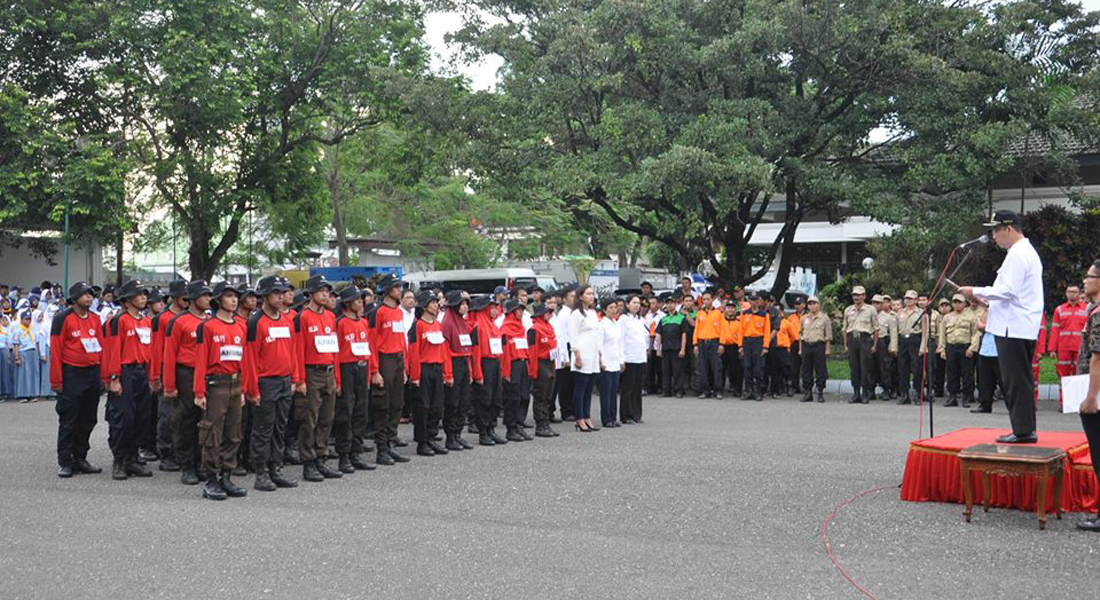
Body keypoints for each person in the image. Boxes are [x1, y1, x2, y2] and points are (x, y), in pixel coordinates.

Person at [960, 210, 1044, 443]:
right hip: (1014, 325)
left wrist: (975, 291)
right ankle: (1024, 428)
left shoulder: (1019, 254)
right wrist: (983, 299)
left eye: (996, 230)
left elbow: (1008, 291)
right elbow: (1009, 293)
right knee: (1017, 380)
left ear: (1009, 228)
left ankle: (1023, 431)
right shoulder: (1019, 252)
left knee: (1016, 380)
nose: (993, 236)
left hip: (1014, 327)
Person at [192, 282, 249, 500]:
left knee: (233, 433)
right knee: (212, 433)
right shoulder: (208, 327)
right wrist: (199, 392)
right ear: (219, 300)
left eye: (235, 296)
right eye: (228, 296)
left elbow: (243, 359)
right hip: (216, 384)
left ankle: (227, 475)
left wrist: (243, 389)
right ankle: (211, 479)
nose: (234, 300)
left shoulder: (241, 326)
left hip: (235, 383)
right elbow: (201, 360)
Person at [244, 275, 301, 491]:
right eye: (276, 293)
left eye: (282, 292)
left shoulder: (287, 320)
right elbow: (249, 358)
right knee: (263, 429)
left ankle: (276, 468)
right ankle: (261, 472)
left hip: (285, 381)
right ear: (265, 296)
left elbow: (292, 352)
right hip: (266, 382)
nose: (281, 296)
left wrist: (295, 378)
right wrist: (253, 389)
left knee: (281, 428)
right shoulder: (255, 322)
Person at [50, 282, 107, 478]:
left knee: (88, 418)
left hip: (92, 372)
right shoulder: (62, 319)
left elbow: (101, 348)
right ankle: (66, 461)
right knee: (69, 419)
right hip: (72, 373)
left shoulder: (95, 319)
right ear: (74, 298)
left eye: (91, 294)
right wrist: (57, 381)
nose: (89, 297)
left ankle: (80, 457)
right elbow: (56, 351)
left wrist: (102, 376)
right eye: (85, 294)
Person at [293, 275, 343, 482]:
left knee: (326, 417)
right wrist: (300, 379)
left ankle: (321, 456)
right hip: (311, 372)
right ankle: (308, 461)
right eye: (321, 291)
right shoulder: (302, 317)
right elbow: (298, 350)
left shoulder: (331, 317)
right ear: (311, 293)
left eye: (327, 291)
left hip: (329, 371)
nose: (325, 295)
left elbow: (335, 350)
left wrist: (337, 378)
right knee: (309, 418)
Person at [103, 279, 155, 480]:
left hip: (142, 372)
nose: (143, 297)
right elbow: (113, 350)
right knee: (122, 418)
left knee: (141, 417)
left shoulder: (145, 322)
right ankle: (120, 459)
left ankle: (133, 458)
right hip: (124, 371)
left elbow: (149, 350)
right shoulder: (119, 320)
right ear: (126, 301)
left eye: (144, 294)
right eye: (139, 294)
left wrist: (151, 376)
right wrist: (114, 377)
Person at [163, 280, 213, 485]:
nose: (209, 299)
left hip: (208, 375)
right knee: (184, 420)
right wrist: (169, 385)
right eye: (204, 295)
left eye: (210, 295)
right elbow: (169, 354)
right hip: (185, 374)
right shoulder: (179, 322)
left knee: (205, 420)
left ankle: (201, 462)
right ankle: (186, 465)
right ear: (192, 299)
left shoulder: (210, 320)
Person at [332, 285, 378, 472]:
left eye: (362, 299)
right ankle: (343, 456)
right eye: (357, 299)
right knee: (346, 412)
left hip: (361, 367)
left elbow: (367, 349)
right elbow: (335, 353)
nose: (361, 302)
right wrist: (338, 380)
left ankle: (356, 452)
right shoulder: (340, 323)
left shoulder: (364, 323)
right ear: (347, 303)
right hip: (346, 368)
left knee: (361, 412)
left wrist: (369, 374)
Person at [367, 275, 412, 463]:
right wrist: (375, 370)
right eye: (396, 287)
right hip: (384, 360)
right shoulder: (378, 313)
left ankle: (391, 442)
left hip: (398, 360)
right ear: (387, 290)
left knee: (396, 405)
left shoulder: (398, 312)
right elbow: (372, 342)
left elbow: (402, 340)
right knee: (382, 405)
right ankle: (381, 448)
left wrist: (404, 368)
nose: (399, 290)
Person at [1072, 260, 1100, 531]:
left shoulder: (1098, 312)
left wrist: (1091, 397)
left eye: (1089, 276)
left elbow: (1097, 358)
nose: (1085, 281)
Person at [408, 291, 452, 455]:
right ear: (424, 306)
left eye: (436, 303)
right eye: (432, 303)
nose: (435, 306)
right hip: (424, 369)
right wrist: (416, 376)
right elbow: (414, 352)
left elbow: (443, 350)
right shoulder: (418, 325)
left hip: (437, 368)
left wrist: (447, 373)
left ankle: (432, 437)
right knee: (423, 407)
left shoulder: (437, 325)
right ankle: (422, 441)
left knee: (436, 406)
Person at [150, 279, 189, 471]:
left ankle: (182, 452)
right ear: (174, 297)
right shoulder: (162, 319)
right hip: (167, 369)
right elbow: (157, 350)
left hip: (187, 372)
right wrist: (156, 376)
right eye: (183, 294)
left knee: (185, 415)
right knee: (166, 415)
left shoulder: (193, 317)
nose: (186, 297)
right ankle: (165, 453)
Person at [439, 290, 475, 451]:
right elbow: (445, 351)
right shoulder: (447, 323)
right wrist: (448, 374)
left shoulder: (462, 322)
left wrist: (470, 371)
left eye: (466, 303)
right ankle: (450, 436)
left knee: (464, 401)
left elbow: (467, 348)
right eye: (462, 304)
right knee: (452, 402)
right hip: (453, 364)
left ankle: (458, 434)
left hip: (464, 362)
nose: (465, 306)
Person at [470, 295, 506, 445]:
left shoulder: (495, 327)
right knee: (484, 399)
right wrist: (477, 373)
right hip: (484, 363)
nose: (494, 310)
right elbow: (475, 351)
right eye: (491, 307)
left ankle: (491, 428)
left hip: (495, 363)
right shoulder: (477, 327)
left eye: (494, 307)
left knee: (496, 398)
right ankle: (483, 432)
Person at [938, 293, 980, 408]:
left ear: (964, 303)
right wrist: (942, 349)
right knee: (951, 372)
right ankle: (952, 397)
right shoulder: (947, 317)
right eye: (955, 302)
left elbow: (976, 333)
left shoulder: (971, 316)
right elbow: (942, 334)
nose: (957, 304)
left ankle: (967, 397)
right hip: (951, 346)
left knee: (967, 373)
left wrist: (972, 348)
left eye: (959, 302)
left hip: (964, 346)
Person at [569, 285, 602, 432]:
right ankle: (579, 418)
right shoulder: (576, 314)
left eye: (592, 294)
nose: (591, 296)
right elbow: (573, 336)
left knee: (589, 388)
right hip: (582, 354)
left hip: (593, 354)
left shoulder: (593, 313)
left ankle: (587, 416)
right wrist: (577, 355)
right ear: (581, 296)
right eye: (588, 294)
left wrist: (600, 355)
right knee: (580, 388)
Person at [1048, 284, 1088, 404]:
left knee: (1079, 375)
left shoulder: (1086, 309)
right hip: (1063, 348)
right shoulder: (1059, 310)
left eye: (1074, 292)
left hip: (1080, 348)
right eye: (1069, 291)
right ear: (1066, 294)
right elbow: (1055, 330)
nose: (1072, 294)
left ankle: (1078, 402)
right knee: (1063, 376)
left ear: (1079, 294)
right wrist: (1052, 349)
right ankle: (1064, 403)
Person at [500, 298, 533, 441]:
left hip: (523, 364)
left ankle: (519, 424)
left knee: (524, 396)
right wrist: (506, 372)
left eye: (522, 309)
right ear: (512, 311)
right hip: (512, 365)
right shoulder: (505, 329)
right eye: (518, 309)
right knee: (512, 398)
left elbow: (526, 349)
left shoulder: (521, 328)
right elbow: (505, 352)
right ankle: (511, 427)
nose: (521, 312)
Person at [843, 286, 878, 404]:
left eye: (859, 295)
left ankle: (865, 393)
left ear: (864, 296)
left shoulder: (870, 309)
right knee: (854, 367)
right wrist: (845, 345)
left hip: (865, 339)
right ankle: (856, 393)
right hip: (852, 339)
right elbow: (844, 329)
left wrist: (874, 345)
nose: (856, 297)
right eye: (854, 295)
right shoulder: (848, 310)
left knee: (865, 367)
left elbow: (876, 328)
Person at [619, 295, 647, 424]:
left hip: (640, 357)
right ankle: (626, 415)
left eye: (638, 303)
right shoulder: (624, 319)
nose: (636, 305)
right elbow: (621, 340)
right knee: (628, 388)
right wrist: (622, 359)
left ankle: (636, 414)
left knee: (637, 388)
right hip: (629, 358)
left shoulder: (640, 319)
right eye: (634, 303)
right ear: (627, 304)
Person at [598, 297, 624, 428]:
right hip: (606, 363)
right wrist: (601, 361)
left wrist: (621, 360)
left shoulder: (616, 323)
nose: (614, 310)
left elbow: (620, 344)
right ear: (604, 310)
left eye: (615, 307)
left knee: (614, 391)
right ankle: (606, 418)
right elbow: (600, 345)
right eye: (611, 308)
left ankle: (614, 416)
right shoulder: (602, 325)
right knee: (606, 392)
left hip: (615, 362)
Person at [798, 297, 831, 403]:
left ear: (819, 305)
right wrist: (800, 349)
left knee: (820, 370)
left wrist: (827, 349)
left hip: (819, 345)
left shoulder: (824, 318)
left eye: (814, 303)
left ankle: (820, 392)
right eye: (810, 304)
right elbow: (800, 334)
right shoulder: (804, 318)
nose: (812, 306)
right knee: (806, 370)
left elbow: (828, 335)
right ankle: (808, 393)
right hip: (807, 345)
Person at [739, 292, 770, 401]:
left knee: (758, 368)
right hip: (747, 342)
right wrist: (740, 345)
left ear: (759, 301)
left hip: (758, 341)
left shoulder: (764, 314)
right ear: (749, 301)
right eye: (752, 299)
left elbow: (766, 332)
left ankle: (758, 392)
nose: (754, 302)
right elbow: (741, 331)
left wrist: (765, 346)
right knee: (747, 367)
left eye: (756, 299)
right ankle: (748, 391)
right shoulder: (745, 314)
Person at [693, 290, 723, 399]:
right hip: (702, 342)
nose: (706, 301)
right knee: (702, 367)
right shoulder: (700, 313)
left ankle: (718, 390)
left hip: (714, 341)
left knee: (716, 367)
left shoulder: (718, 313)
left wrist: (721, 344)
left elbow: (722, 329)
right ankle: (705, 390)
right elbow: (697, 329)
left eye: (708, 299)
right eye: (704, 299)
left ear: (712, 299)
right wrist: (695, 344)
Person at [655, 294, 686, 398]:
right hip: (666, 348)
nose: (670, 305)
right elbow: (659, 335)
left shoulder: (681, 318)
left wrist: (682, 349)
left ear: (675, 304)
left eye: (672, 303)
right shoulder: (663, 319)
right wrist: (658, 349)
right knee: (665, 371)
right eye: (668, 303)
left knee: (678, 370)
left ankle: (678, 390)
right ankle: (666, 391)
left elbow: (684, 334)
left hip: (676, 348)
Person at [551, 287, 576, 421]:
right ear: (565, 299)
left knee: (572, 381)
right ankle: (566, 410)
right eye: (572, 296)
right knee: (565, 382)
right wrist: (565, 355)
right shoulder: (564, 314)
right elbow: (563, 336)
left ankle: (572, 408)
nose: (574, 298)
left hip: (574, 346)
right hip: (566, 347)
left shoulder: (575, 312)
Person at [896, 290, 923, 405]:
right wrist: (894, 346)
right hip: (903, 340)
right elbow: (895, 330)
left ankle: (917, 393)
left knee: (917, 368)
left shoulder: (922, 313)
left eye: (911, 298)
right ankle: (904, 394)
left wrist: (923, 346)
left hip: (915, 340)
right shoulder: (900, 313)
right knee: (903, 368)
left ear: (916, 300)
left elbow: (925, 331)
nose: (908, 300)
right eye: (906, 298)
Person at [972, 309, 1001, 414]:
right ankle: (985, 404)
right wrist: (988, 308)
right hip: (986, 349)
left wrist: (988, 327)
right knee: (985, 381)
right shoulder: (989, 310)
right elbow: (980, 326)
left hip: (1000, 350)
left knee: (1005, 381)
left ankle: (1013, 406)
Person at [872, 295, 898, 400]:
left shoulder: (888, 317)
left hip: (882, 342)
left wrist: (893, 347)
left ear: (882, 305)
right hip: (870, 342)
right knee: (871, 367)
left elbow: (893, 333)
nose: (875, 305)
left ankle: (886, 389)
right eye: (873, 303)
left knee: (885, 367)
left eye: (878, 303)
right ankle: (871, 389)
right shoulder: (869, 315)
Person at [10, 310, 39, 402]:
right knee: (23, 374)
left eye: (29, 319)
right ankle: (22, 395)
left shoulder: (33, 329)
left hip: (32, 352)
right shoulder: (18, 331)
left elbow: (36, 342)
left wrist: (37, 354)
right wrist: (16, 357)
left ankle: (32, 394)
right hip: (23, 352)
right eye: (26, 319)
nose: (28, 321)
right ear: (21, 320)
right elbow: (16, 345)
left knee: (33, 373)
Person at [718, 302, 742, 398]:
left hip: (734, 347)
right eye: (728, 308)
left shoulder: (739, 322)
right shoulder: (721, 321)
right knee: (721, 369)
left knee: (736, 369)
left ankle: (737, 389)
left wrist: (741, 347)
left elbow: (741, 336)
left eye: (732, 308)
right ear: (725, 309)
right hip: (722, 346)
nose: (730, 310)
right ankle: (719, 389)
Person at [788, 297, 805, 395]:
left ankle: (806, 386)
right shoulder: (791, 317)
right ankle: (794, 386)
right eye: (796, 304)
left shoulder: (807, 316)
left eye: (799, 304)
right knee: (794, 365)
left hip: (805, 342)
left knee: (806, 365)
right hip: (794, 343)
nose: (797, 306)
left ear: (804, 305)